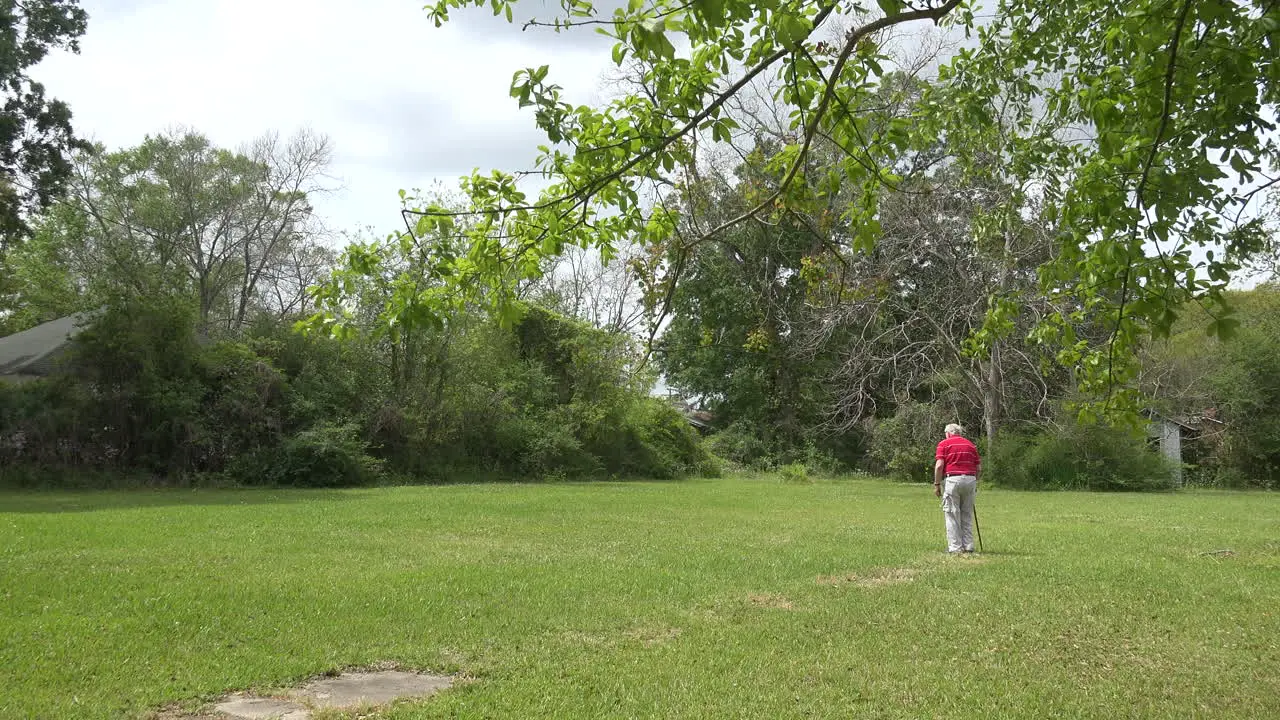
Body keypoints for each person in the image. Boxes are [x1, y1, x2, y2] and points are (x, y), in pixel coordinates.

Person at [933, 423, 980, 554]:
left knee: (952, 514)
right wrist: (975, 482)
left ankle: (955, 548)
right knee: (967, 513)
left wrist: (937, 484)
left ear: (948, 433)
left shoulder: (944, 444)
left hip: (953, 479)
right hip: (970, 479)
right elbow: (978, 468)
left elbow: (939, 466)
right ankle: (968, 546)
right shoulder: (971, 445)